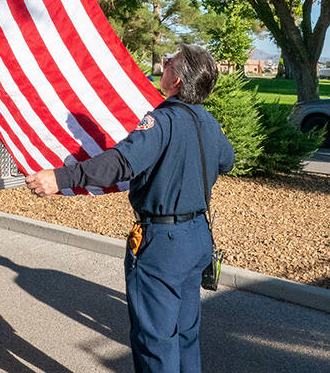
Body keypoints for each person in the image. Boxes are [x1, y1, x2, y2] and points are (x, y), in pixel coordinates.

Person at [26, 44, 235, 373]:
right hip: (197, 237)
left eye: (169, 63)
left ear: (177, 80)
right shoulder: (209, 122)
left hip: (163, 245)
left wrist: (60, 178)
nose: (163, 66)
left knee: (155, 341)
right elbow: (227, 161)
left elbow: (120, 164)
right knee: (185, 335)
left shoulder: (161, 121)